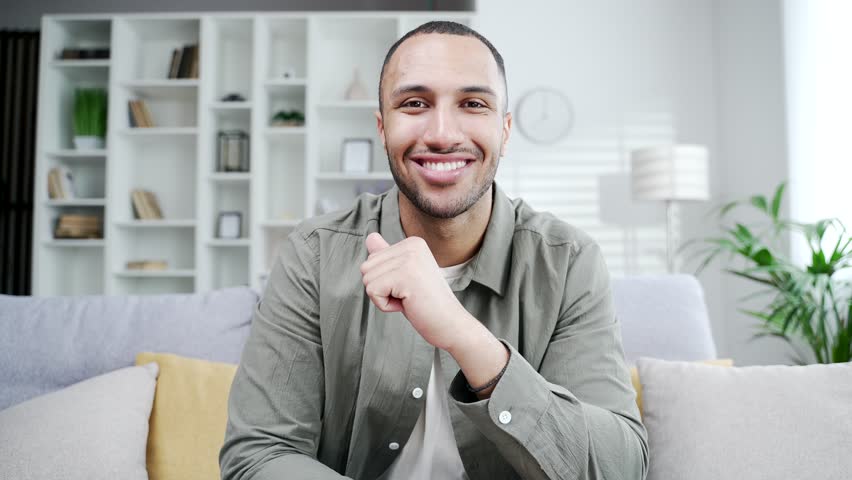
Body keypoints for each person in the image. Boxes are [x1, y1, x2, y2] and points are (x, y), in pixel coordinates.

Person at [220, 21, 648, 480]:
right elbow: (259, 455)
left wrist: (466, 337)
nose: (443, 134)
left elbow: (619, 469)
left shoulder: (569, 261)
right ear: (382, 128)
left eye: (473, 104)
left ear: (505, 130)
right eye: (415, 103)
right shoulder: (313, 255)